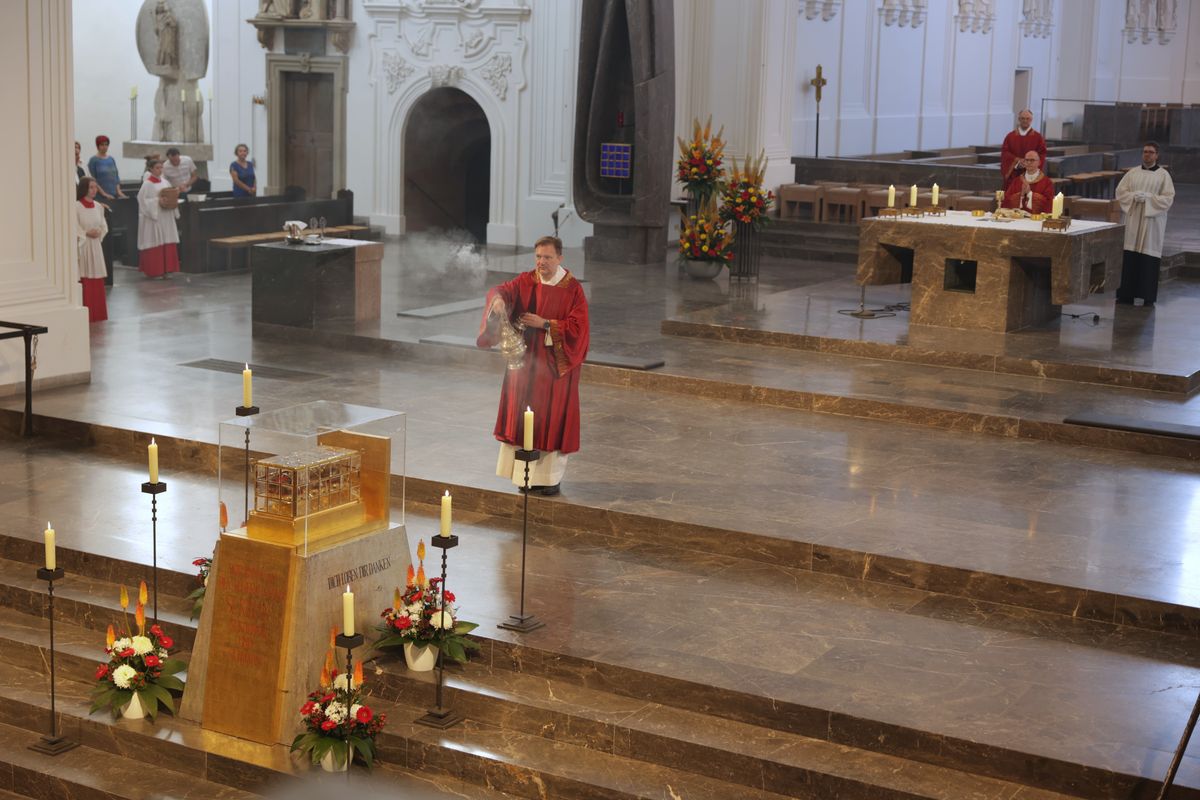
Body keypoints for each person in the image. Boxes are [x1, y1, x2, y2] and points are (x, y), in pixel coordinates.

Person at [477, 236, 589, 496]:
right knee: (522, 415)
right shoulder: (527, 280)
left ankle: (548, 480)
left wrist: (546, 324)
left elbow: (579, 329)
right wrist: (498, 301)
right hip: (526, 365)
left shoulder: (573, 290)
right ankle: (522, 476)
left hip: (553, 370)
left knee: (550, 418)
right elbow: (501, 290)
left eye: (547, 257)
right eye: (538, 257)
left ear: (560, 258)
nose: (542, 262)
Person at [1115, 141, 1175, 307]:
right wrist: (1134, 197)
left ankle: (1147, 296)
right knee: (1130, 255)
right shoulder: (1132, 173)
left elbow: (1168, 198)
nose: (1147, 154)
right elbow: (1120, 192)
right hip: (1134, 220)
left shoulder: (1163, 175)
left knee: (1148, 256)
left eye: (1150, 152)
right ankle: (1125, 295)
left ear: (1157, 155)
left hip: (1152, 222)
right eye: (1145, 152)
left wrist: (1148, 198)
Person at [137, 158, 180, 278]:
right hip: (154, 218)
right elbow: (142, 200)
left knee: (167, 239)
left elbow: (170, 193)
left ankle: (167, 269)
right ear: (150, 169)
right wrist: (157, 201)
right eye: (157, 168)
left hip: (166, 216)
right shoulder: (147, 184)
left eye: (161, 167)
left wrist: (174, 195)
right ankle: (155, 271)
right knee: (156, 240)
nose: (160, 170)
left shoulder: (165, 182)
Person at [75, 178, 109, 322]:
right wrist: (86, 233)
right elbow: (74, 226)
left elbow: (103, 225)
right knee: (85, 275)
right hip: (83, 245)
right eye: (91, 187)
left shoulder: (98, 206)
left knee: (96, 276)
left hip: (95, 245)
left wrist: (98, 232)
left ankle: (98, 313)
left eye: (95, 187)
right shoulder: (76, 206)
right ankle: (87, 314)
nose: (94, 190)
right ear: (84, 189)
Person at [1000, 109, 1046, 190]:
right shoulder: (1010, 136)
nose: (1025, 121)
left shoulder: (1038, 137)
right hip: (1014, 175)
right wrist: (1017, 162)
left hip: (1031, 175)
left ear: (1031, 120)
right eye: (1023, 118)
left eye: (1027, 118)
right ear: (1019, 119)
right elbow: (1005, 153)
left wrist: (1029, 163)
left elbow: (1042, 154)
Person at [87, 136, 126, 201]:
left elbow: (116, 177)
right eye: (102, 145)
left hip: (114, 195)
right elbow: (93, 180)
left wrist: (119, 191)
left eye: (106, 144)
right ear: (98, 146)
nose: (104, 147)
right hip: (100, 196)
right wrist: (104, 194)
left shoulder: (111, 159)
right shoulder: (93, 160)